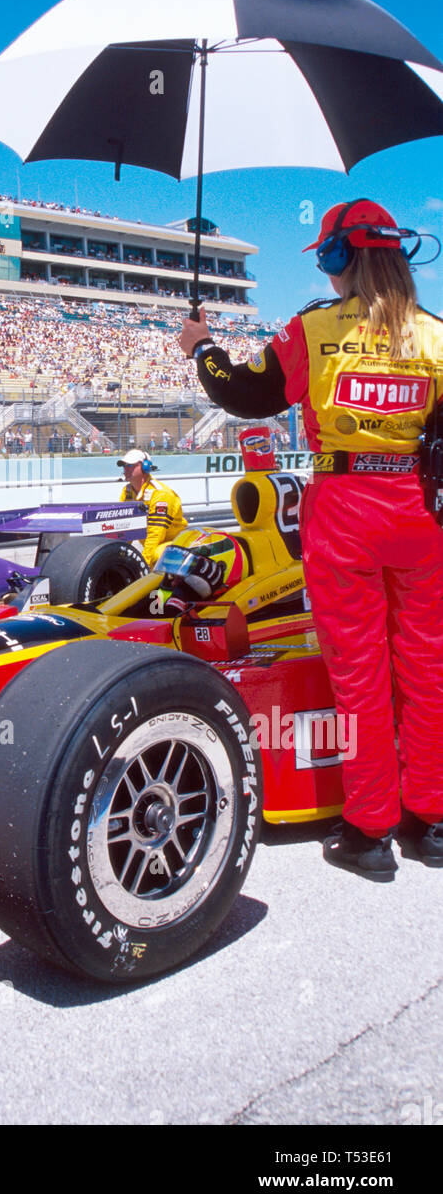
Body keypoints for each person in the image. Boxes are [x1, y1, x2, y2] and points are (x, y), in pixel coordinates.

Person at [178, 199, 443, 879]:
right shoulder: (433, 334)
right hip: (421, 515)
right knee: (426, 668)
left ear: (335, 257)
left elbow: (243, 395)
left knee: (358, 674)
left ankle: (369, 831)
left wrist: (201, 348)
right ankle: (433, 820)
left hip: (345, 510)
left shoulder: (312, 329)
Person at [118, 448, 187, 567]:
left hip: (176, 544)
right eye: (124, 465)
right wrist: (118, 556)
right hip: (154, 545)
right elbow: (127, 529)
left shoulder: (160, 494)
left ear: (145, 467)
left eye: (130, 465)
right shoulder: (127, 492)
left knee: (156, 555)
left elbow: (155, 534)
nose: (126, 469)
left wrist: (143, 565)